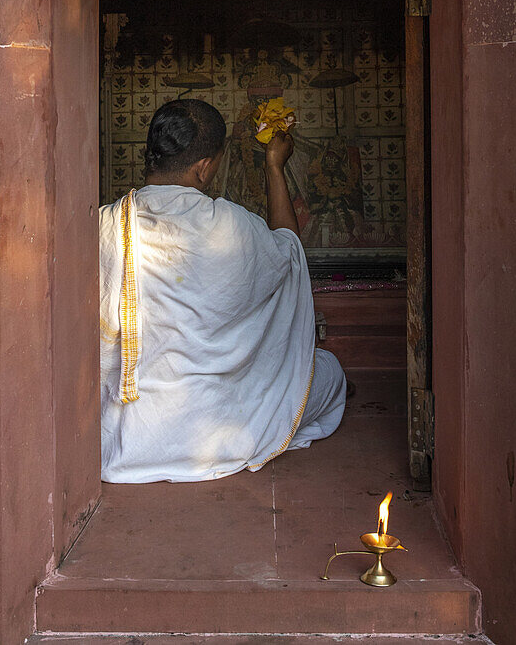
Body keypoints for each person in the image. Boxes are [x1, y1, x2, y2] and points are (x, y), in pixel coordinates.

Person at [99, 98, 346, 483]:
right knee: (329, 373)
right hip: (212, 429)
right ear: (204, 168)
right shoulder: (230, 226)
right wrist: (274, 165)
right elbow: (290, 253)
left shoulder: (105, 224)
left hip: (127, 432)